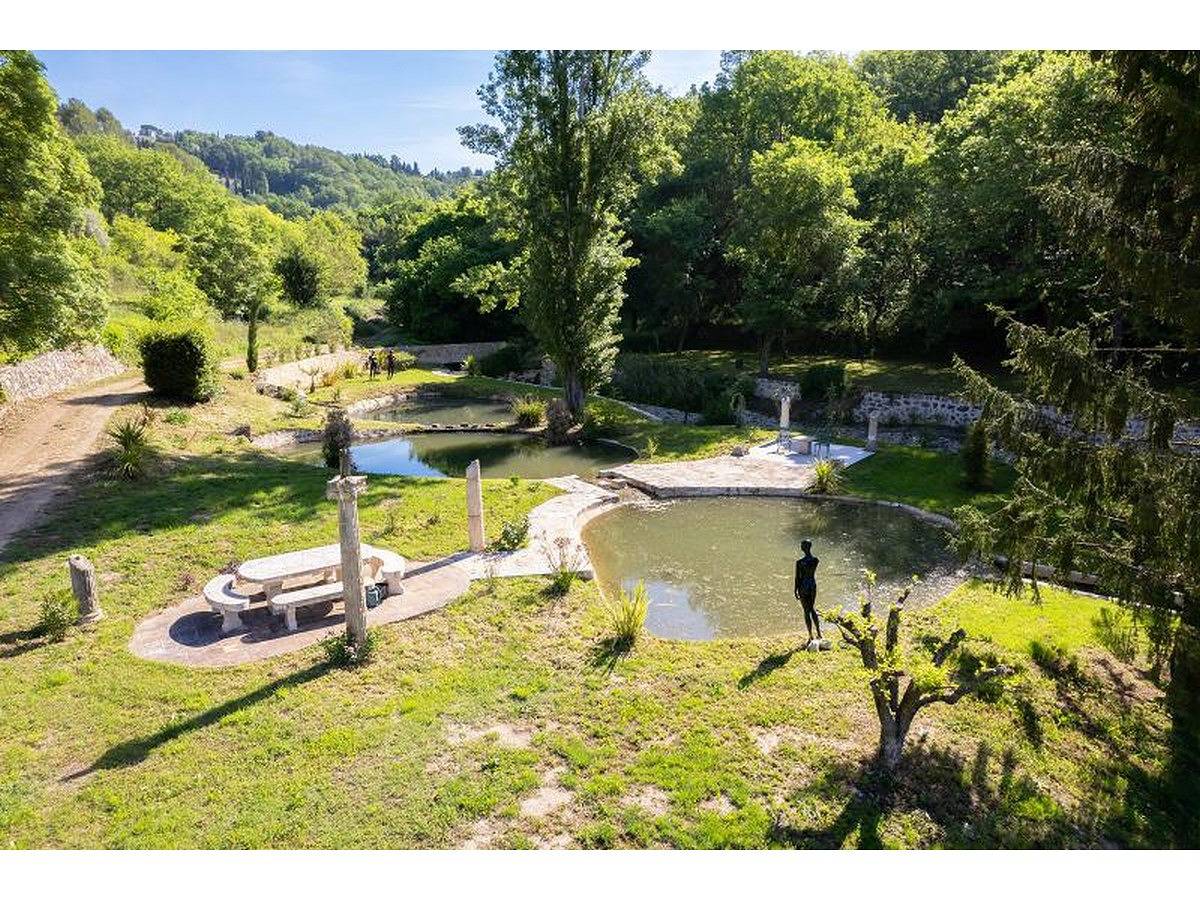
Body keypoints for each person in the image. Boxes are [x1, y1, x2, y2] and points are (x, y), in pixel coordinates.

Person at [794, 539, 821, 641]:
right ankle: (819, 632)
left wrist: (795, 590)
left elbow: (797, 578)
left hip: (803, 586)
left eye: (802, 545)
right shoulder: (815, 560)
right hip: (812, 585)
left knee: (806, 611)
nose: (801, 547)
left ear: (804, 548)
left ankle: (810, 635)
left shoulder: (799, 562)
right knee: (812, 608)